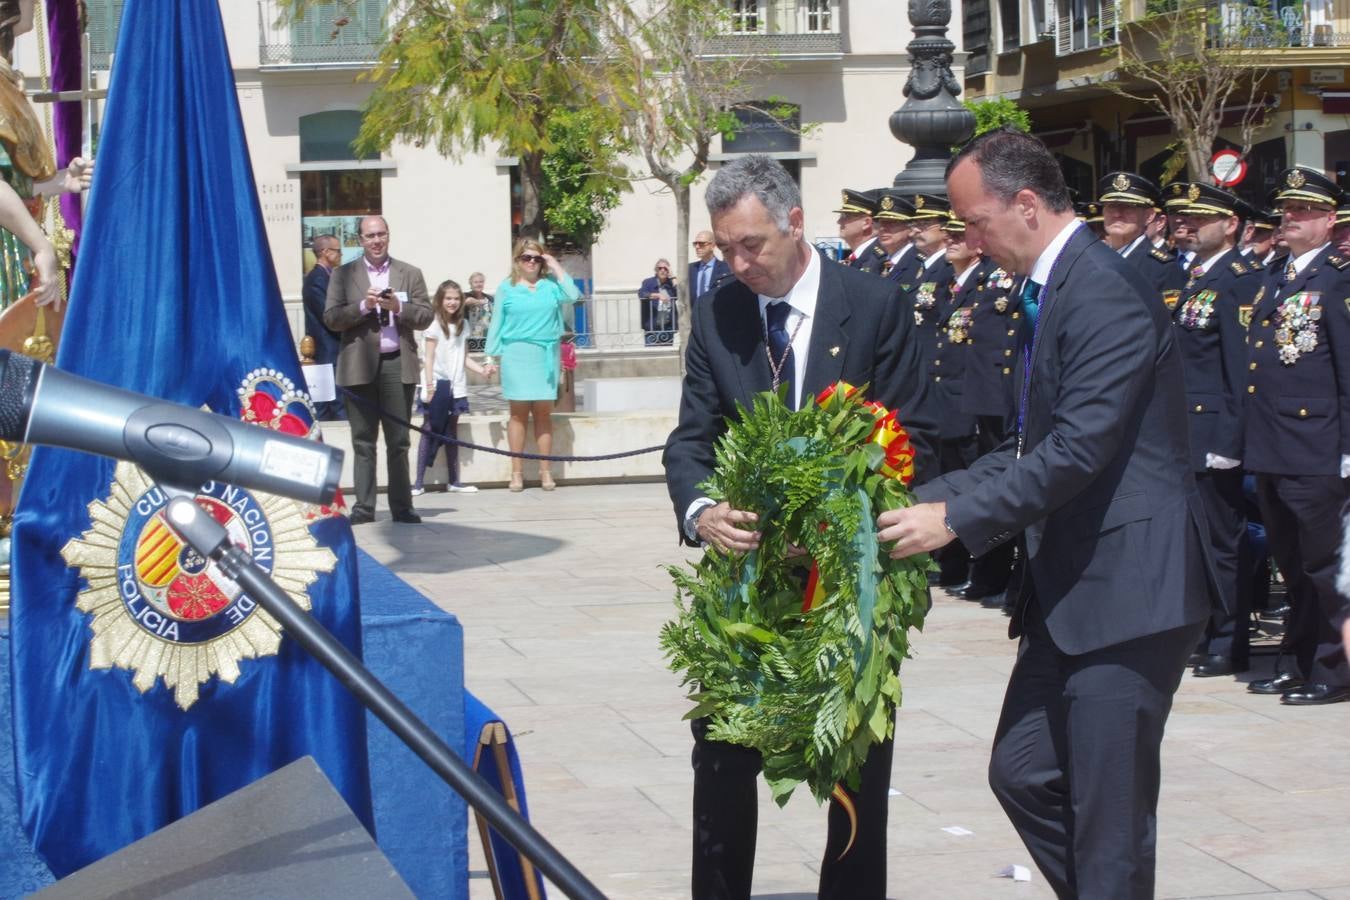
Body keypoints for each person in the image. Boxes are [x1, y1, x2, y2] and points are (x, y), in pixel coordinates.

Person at [878, 127, 1211, 899]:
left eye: (974, 222)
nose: (967, 240)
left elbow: (1077, 450)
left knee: (1108, 820)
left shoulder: (1102, 289)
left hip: (1130, 592)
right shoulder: (1054, 287)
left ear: (1025, 205)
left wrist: (955, 521)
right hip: (1075, 592)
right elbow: (1033, 444)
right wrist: (927, 499)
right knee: (1024, 771)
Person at [663, 154, 936, 900]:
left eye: (752, 244)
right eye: (725, 248)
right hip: (747, 583)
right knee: (720, 756)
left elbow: (921, 437)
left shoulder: (874, 306)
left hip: (847, 582)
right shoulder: (719, 311)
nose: (739, 263)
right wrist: (701, 511)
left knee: (853, 769)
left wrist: (848, 522)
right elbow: (691, 438)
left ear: (795, 224)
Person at [1242, 166, 1350, 705]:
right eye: (1288, 209)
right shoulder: (1275, 275)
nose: (1292, 217)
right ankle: (1298, 661)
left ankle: (1333, 671)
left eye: (1305, 210)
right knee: (1292, 564)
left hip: (1318, 449)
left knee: (1326, 568)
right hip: (1273, 446)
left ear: (1330, 220)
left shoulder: (1337, 280)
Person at [1172, 184, 1264, 679]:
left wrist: (1230, 444)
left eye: (1201, 218)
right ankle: (1207, 632)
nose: (1188, 224)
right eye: (1186, 217)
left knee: (1224, 545)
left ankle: (1230, 642)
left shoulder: (1237, 280)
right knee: (1198, 542)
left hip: (1214, 437)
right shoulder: (1195, 278)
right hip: (1187, 432)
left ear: (1230, 225)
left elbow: (1239, 371)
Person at [323, 214, 433, 525]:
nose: (376, 240)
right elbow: (331, 318)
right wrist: (364, 307)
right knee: (363, 439)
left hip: (397, 362)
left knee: (399, 440)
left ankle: (402, 506)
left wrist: (399, 308)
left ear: (388, 236)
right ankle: (364, 506)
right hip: (359, 365)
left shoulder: (409, 273)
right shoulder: (343, 275)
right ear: (360, 240)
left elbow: (425, 315)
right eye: (370, 236)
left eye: (381, 234)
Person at [485, 237, 579, 492]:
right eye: (526, 257)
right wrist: (490, 357)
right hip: (516, 353)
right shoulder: (507, 287)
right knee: (517, 415)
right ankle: (516, 473)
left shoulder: (550, 286)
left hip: (546, 355)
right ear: (517, 260)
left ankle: (545, 471)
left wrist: (554, 264)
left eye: (536, 258)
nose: (531, 262)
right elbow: (497, 323)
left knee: (543, 414)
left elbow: (573, 294)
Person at [929, 215, 990, 592]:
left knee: (972, 483)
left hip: (969, 405)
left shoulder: (985, 285)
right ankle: (953, 566)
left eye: (958, 235)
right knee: (947, 480)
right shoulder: (950, 284)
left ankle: (977, 569)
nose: (950, 240)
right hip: (945, 402)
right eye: (947, 235)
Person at [413, 279, 495, 496]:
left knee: (451, 432)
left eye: (456, 298)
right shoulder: (433, 324)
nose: (452, 302)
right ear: (440, 300)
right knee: (429, 430)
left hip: (457, 386)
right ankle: (418, 482)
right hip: (437, 385)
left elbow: (464, 357)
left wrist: (482, 370)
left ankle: (454, 481)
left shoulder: (463, 325)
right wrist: (429, 386)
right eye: (448, 298)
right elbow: (428, 358)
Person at [1098, 171, 1184, 304]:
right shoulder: (1094, 260)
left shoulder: (1163, 269)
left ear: (1149, 216)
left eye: (1127, 207)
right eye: (1110, 206)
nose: (1116, 214)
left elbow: (1165, 322)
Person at [302, 233, 345, 420]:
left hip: (335, 351)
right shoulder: (316, 279)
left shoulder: (329, 277)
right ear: (325, 252)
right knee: (333, 407)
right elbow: (329, 315)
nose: (340, 255)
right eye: (338, 251)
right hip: (327, 352)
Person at [873, 190, 923, 289]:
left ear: (910, 228)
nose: (883, 228)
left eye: (892, 222)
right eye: (881, 222)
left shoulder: (918, 263)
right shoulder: (877, 262)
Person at [833, 188, 887, 273]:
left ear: (866, 223)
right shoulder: (858, 257)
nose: (839, 222)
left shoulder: (878, 260)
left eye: (846, 216)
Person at [637, 257, 678, 344]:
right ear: (656, 270)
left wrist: (673, 277)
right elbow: (641, 293)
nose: (662, 270)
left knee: (667, 355)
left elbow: (681, 295)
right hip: (652, 326)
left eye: (665, 268)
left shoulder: (671, 283)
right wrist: (657, 295)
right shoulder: (648, 282)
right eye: (660, 268)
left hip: (668, 326)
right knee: (651, 355)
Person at [688, 230, 731, 304]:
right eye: (695, 244)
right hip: (696, 312)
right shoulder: (690, 269)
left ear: (712, 246)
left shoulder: (726, 268)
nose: (697, 247)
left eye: (701, 244)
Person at [464, 270, 494, 349]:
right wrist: (480, 302)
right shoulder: (466, 295)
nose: (478, 284)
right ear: (471, 284)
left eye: (481, 282)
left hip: (487, 335)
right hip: (471, 335)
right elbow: (468, 301)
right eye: (476, 282)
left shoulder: (489, 298)